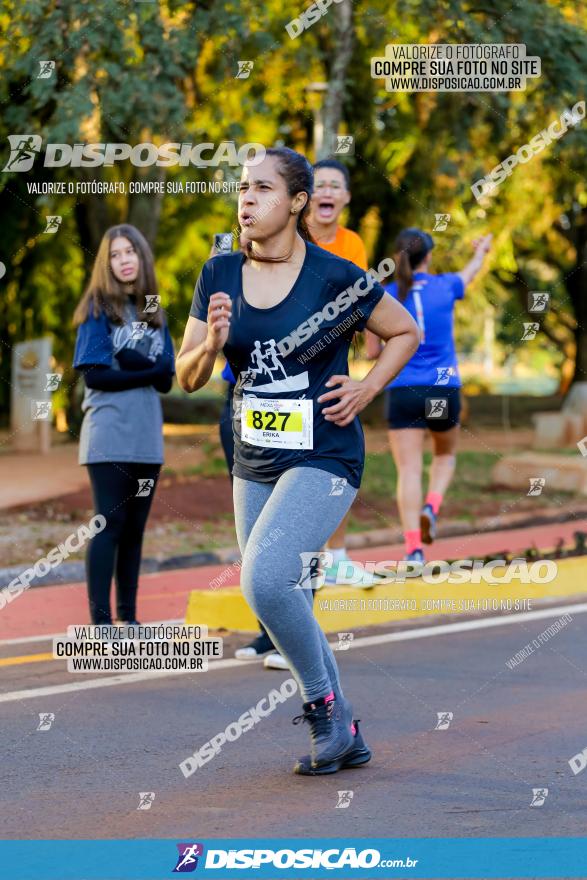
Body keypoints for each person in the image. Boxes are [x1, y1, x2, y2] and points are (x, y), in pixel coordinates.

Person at [176, 147, 419, 775]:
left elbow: (404, 331)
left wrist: (366, 388)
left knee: (264, 579)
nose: (246, 200)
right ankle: (343, 731)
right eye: (242, 189)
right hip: (253, 458)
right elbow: (188, 376)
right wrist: (213, 345)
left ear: (297, 202)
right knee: (280, 595)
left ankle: (324, 713)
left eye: (261, 189)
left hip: (325, 454)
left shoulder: (335, 278)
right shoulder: (219, 273)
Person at [367, 228, 492, 564]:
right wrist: (481, 251)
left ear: (397, 258)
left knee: (408, 470)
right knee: (444, 456)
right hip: (442, 389)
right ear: (429, 256)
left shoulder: (385, 296)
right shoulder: (446, 286)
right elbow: (471, 272)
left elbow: (371, 352)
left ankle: (413, 551)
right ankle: (431, 507)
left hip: (403, 390)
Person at [72, 224, 175, 625]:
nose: (124, 260)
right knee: (109, 525)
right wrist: (146, 369)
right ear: (106, 263)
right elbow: (96, 375)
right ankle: (101, 626)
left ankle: (129, 620)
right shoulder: (98, 308)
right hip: (109, 435)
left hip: (148, 438)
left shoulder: (153, 310)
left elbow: (167, 378)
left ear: (142, 257)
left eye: (130, 251)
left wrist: (142, 365)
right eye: (115, 254)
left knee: (134, 531)